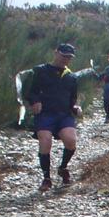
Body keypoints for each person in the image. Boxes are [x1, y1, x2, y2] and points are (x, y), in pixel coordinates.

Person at [22, 43, 82, 191]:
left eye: (69, 57)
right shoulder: (40, 71)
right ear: (56, 53)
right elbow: (29, 91)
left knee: (71, 141)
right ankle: (46, 178)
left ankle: (62, 168)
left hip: (64, 114)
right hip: (45, 114)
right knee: (45, 141)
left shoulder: (71, 77)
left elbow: (72, 98)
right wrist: (34, 102)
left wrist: (75, 107)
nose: (65, 59)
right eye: (63, 56)